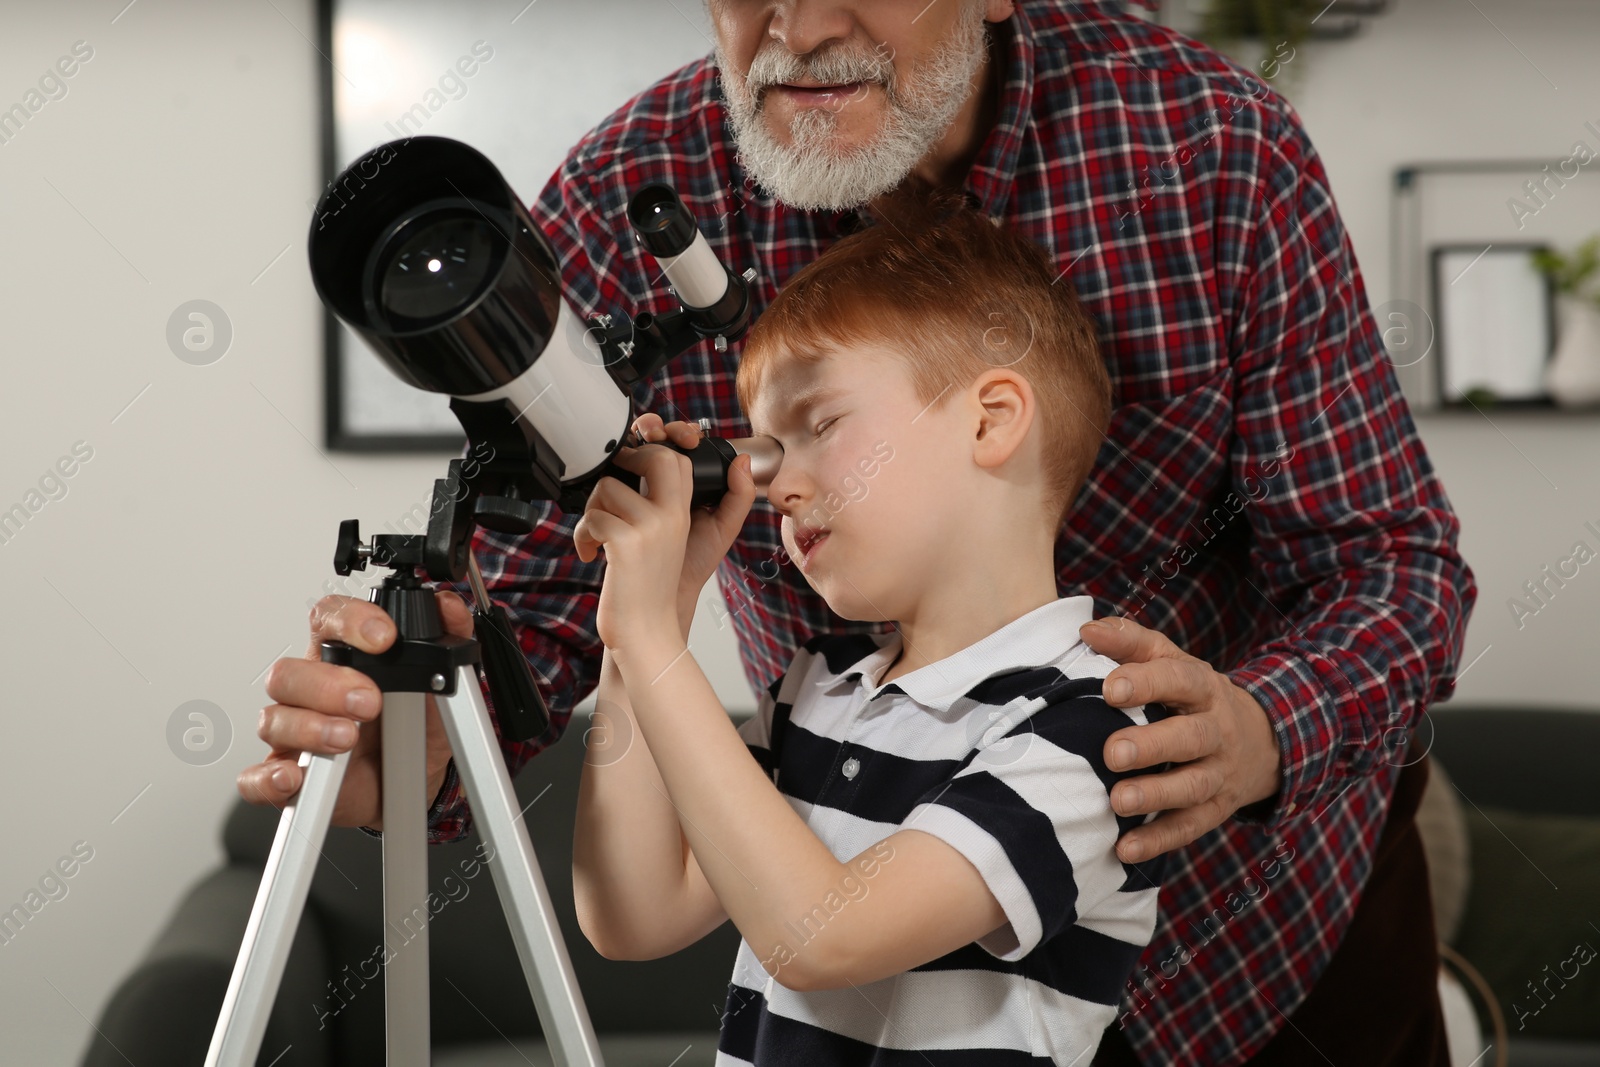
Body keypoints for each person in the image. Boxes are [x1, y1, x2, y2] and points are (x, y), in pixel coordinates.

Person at [240, 2, 1476, 1063]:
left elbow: (1393, 565)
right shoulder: (637, 187)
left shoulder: (1208, 144)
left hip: (1260, 935)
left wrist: (1267, 731)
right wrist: (417, 748)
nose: (803, 24)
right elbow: (555, 657)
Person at [573, 192, 1167, 1065]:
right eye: (767, 450)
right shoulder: (819, 688)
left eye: (820, 424)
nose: (776, 485)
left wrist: (658, 653)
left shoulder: (1095, 727)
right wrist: (644, 624)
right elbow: (632, 913)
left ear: (990, 418)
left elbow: (824, 939)